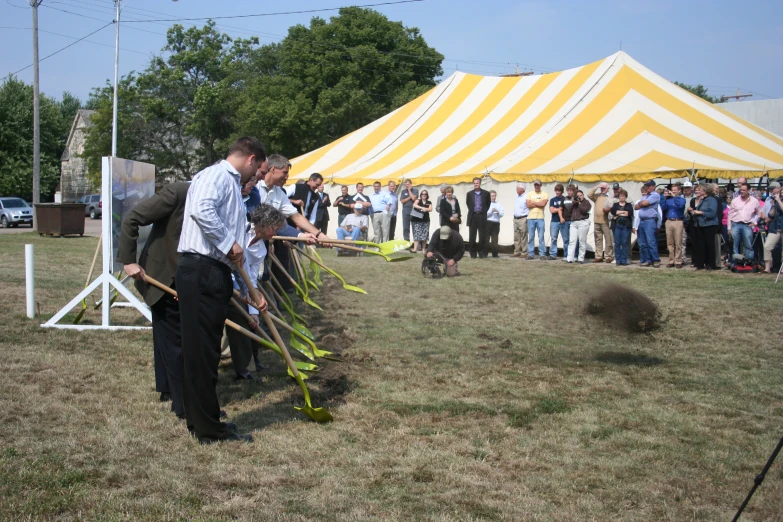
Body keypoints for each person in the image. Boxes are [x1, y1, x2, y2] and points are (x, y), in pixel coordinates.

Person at [176, 136, 266, 445]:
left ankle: (202, 418)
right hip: (202, 270)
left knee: (205, 351)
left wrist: (248, 288)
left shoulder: (227, 183)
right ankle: (208, 428)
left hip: (212, 272)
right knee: (202, 352)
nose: (255, 178)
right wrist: (230, 244)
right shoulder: (217, 175)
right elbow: (202, 211)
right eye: (257, 170)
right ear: (251, 159)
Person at [118, 181, 190, 419]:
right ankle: (184, 404)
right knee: (176, 341)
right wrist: (128, 260)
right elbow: (132, 217)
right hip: (162, 276)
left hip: (184, 276)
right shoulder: (178, 192)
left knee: (167, 338)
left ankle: (168, 389)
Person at [225, 204, 286, 381]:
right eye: (274, 227)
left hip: (239, 286)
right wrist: (235, 286)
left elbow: (250, 277)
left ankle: (245, 367)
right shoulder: (240, 229)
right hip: (220, 278)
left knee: (245, 320)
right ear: (263, 224)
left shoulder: (261, 249)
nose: (275, 232)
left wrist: (254, 311)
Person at [687, 184, 719, 270]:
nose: (699, 191)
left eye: (701, 190)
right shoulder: (702, 200)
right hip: (700, 224)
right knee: (700, 245)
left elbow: (712, 213)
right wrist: (693, 211)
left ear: (705, 191)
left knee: (709, 245)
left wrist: (700, 212)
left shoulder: (711, 200)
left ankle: (711, 264)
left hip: (709, 225)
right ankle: (700, 264)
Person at [728, 183, 760, 264]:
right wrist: (729, 227)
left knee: (748, 244)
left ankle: (749, 261)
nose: (742, 191)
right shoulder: (735, 200)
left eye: (744, 190)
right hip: (736, 223)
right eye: (741, 190)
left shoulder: (754, 201)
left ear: (748, 190)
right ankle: (735, 262)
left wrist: (755, 222)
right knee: (735, 244)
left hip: (747, 224)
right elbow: (730, 214)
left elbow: (759, 213)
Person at [634, 180, 661, 268]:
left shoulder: (655, 195)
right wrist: (642, 204)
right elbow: (636, 207)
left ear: (653, 186)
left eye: (649, 186)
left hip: (650, 220)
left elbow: (644, 203)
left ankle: (655, 260)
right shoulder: (646, 196)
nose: (648, 188)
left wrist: (642, 204)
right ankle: (645, 260)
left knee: (650, 241)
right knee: (642, 243)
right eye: (647, 186)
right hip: (642, 221)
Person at [661, 182, 686, 268]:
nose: (673, 192)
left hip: (678, 221)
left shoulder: (682, 199)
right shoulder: (668, 200)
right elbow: (662, 207)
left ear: (679, 191)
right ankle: (671, 260)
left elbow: (680, 206)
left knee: (678, 242)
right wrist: (664, 197)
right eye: (672, 190)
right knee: (669, 242)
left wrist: (674, 197)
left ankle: (678, 261)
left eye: (675, 190)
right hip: (669, 221)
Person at [465, 177, 491, 259]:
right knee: (472, 236)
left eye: (477, 183)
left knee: (482, 236)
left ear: (480, 183)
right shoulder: (469, 194)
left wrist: (483, 212)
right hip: (473, 216)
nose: (476, 184)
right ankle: (473, 253)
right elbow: (468, 204)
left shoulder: (486, 193)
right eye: (475, 183)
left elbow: (488, 204)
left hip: (482, 216)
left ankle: (481, 253)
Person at [588, 182, 614, 263]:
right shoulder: (597, 196)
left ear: (608, 189)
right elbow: (589, 194)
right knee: (598, 239)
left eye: (604, 188)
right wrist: (596, 187)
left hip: (606, 221)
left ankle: (608, 256)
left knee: (608, 239)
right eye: (601, 188)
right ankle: (598, 256)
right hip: (597, 221)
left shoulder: (610, 196)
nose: (602, 190)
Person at [566, 189, 591, 264]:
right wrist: (573, 202)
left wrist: (579, 203)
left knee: (581, 241)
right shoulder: (574, 203)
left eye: (581, 195)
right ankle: (569, 258)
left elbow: (584, 211)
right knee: (572, 241)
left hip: (582, 222)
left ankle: (580, 258)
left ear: (583, 195)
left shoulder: (587, 203)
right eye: (578, 196)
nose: (579, 197)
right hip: (573, 223)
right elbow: (569, 210)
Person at [762, 182, 782, 273]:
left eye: (772, 189)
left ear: (779, 189)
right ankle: (767, 268)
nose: (771, 191)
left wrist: (778, 200)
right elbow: (771, 214)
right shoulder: (771, 199)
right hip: (775, 227)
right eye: (770, 189)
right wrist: (773, 205)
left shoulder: (779, 199)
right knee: (767, 246)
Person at [610, 189, 634, 266]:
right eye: (620, 196)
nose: (621, 197)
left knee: (624, 242)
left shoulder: (628, 205)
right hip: (617, 225)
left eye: (623, 196)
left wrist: (619, 213)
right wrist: (623, 212)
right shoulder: (615, 205)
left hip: (626, 226)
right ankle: (618, 259)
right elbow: (613, 212)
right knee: (617, 243)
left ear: (625, 197)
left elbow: (629, 213)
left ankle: (624, 259)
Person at [526, 180, 549, 260]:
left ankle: (542, 254)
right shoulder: (529, 194)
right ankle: (530, 254)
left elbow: (543, 204)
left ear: (541, 185)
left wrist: (533, 202)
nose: (536, 186)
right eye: (535, 185)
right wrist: (538, 203)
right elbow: (528, 204)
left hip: (540, 217)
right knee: (531, 237)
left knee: (541, 237)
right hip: (531, 218)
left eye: (538, 185)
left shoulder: (544, 194)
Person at [547, 184, 566, 260]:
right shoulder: (552, 200)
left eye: (559, 191)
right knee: (554, 238)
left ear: (562, 191)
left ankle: (566, 254)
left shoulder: (565, 199)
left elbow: (565, 210)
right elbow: (551, 210)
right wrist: (559, 209)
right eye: (556, 191)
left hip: (563, 221)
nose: (557, 192)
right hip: (554, 221)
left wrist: (557, 209)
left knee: (565, 238)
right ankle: (553, 254)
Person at [511, 183, 529, 258]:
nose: (516, 189)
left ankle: (524, 252)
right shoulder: (518, 197)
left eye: (517, 188)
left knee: (523, 235)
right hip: (516, 218)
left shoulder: (526, 197)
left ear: (522, 189)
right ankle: (517, 251)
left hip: (523, 218)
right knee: (516, 235)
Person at [486, 190, 504, 258]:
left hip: (496, 223)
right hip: (488, 222)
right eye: (492, 196)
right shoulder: (486, 204)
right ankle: (485, 253)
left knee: (495, 239)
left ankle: (495, 254)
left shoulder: (498, 204)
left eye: (495, 196)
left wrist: (498, 212)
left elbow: (502, 214)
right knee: (486, 239)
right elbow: (484, 214)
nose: (494, 197)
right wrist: (491, 211)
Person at [681, 180, 694, 265]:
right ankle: (682, 259)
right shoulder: (680, 197)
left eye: (688, 188)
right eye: (685, 188)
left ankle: (695, 259)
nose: (687, 189)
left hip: (693, 220)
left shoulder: (695, 197)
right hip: (682, 220)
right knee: (682, 241)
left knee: (694, 241)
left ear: (692, 188)